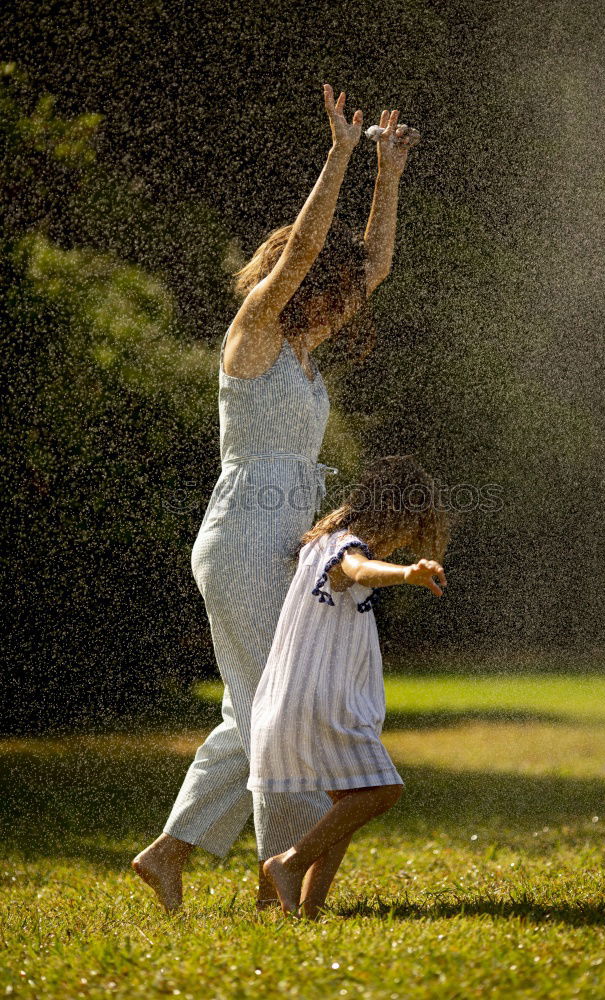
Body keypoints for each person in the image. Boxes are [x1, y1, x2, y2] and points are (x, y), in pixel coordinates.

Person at [132, 84, 419, 911]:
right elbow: (303, 255)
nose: (332, 295)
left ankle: (168, 853)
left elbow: (376, 266)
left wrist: (386, 171)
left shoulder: (300, 349)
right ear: (282, 276)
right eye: (314, 280)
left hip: (289, 538)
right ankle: (280, 879)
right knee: (278, 707)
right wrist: (336, 155)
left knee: (252, 706)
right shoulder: (252, 335)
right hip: (242, 536)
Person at [247, 454, 453, 918]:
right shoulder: (347, 546)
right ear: (396, 514)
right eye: (410, 527)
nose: (405, 540)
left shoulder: (321, 541)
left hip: (299, 694)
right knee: (381, 790)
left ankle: (310, 906)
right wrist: (406, 574)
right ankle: (290, 863)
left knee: (348, 796)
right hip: (323, 701)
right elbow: (359, 570)